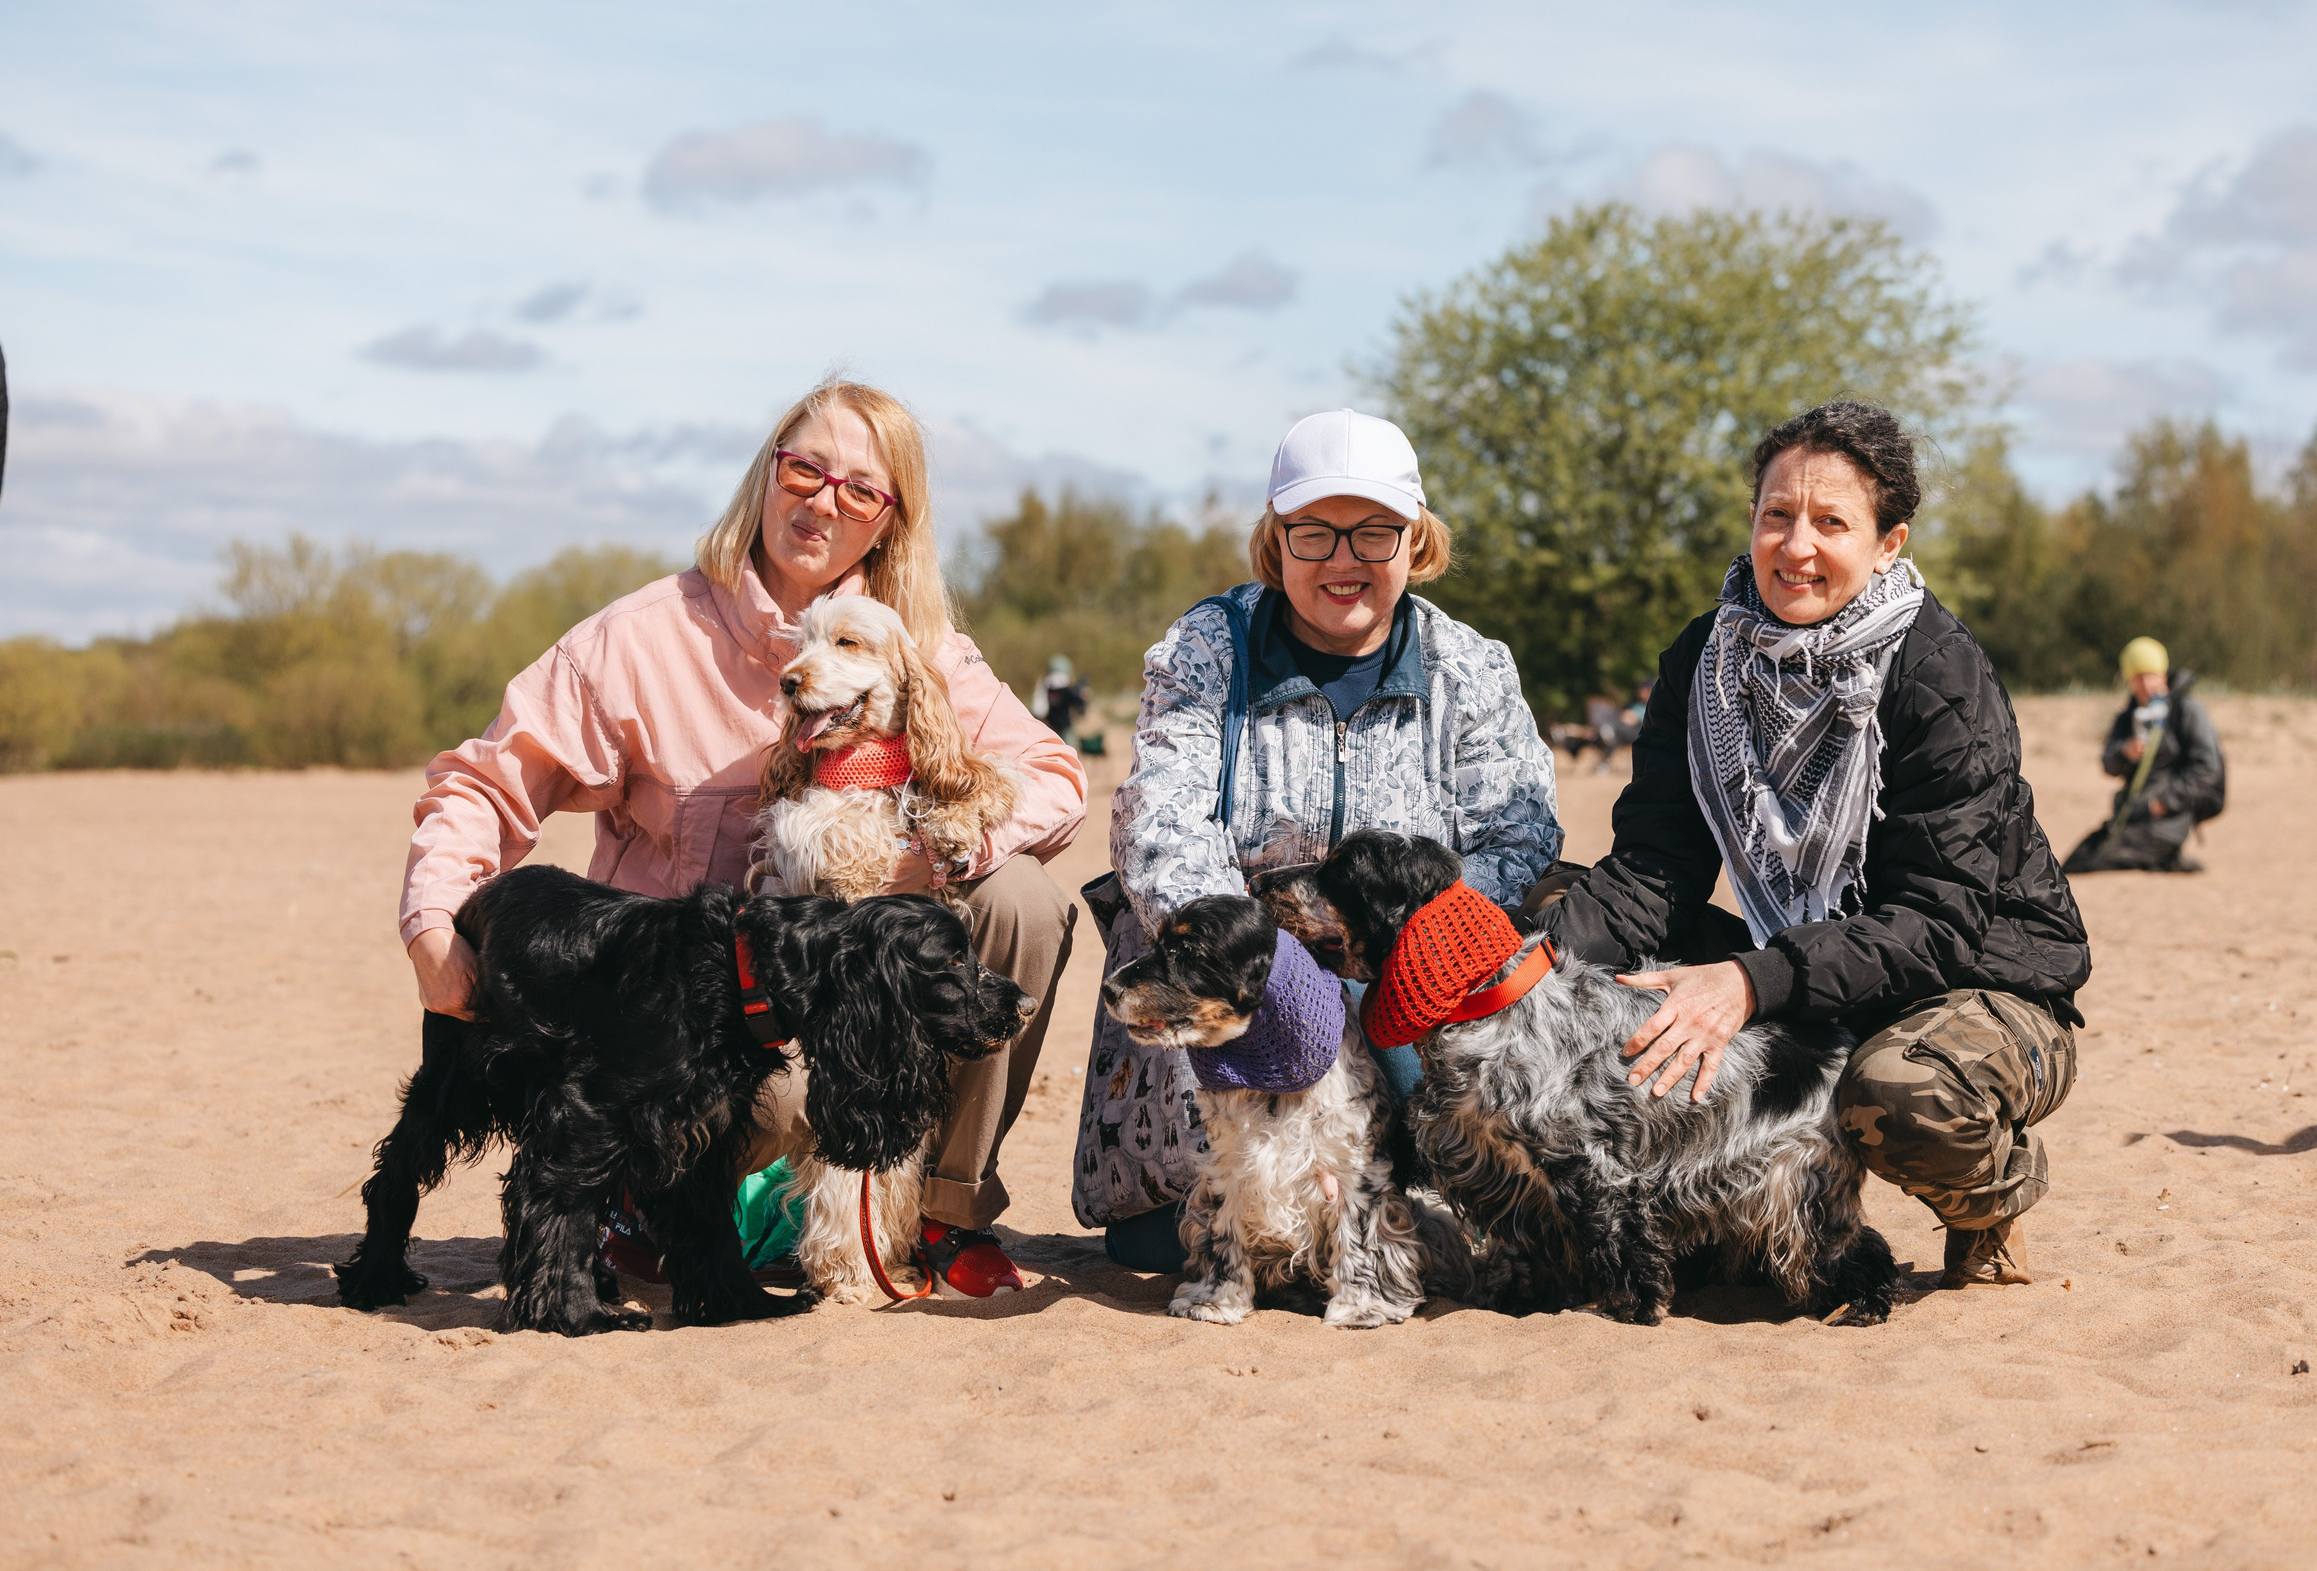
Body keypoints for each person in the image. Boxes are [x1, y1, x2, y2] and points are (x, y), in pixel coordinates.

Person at [398, 376, 1087, 1296]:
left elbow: (1057, 780)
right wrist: (435, 929)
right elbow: (485, 784)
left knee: (1024, 901)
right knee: (785, 1092)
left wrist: (927, 856)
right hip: (695, 1044)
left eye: (859, 489)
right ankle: (654, 1206)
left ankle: (941, 1220)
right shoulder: (640, 643)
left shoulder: (915, 648)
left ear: (889, 519)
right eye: (805, 469)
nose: (822, 501)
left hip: (853, 1021)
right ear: (768, 474)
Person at [1527, 400, 2091, 1288]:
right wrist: (1531, 959)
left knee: (1899, 1097)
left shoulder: (1938, 673)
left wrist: (1752, 982)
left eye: (1832, 523)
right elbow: (1657, 867)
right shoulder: (1702, 661)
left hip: (1980, 978)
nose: (1796, 547)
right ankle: (1698, 1200)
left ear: (1888, 542)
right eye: (1777, 516)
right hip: (1804, 947)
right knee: (1548, 908)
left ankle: (1994, 1199)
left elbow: (1933, 921)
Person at [1071, 407, 1564, 1267]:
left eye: (1374, 533)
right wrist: (1281, 979)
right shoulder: (1203, 651)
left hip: (1410, 990)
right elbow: (1158, 827)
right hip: (1236, 981)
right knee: (1171, 1242)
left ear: (1417, 540)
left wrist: (1397, 962)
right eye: (1314, 534)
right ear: (1276, 540)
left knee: (1461, 1218)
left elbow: (1518, 841)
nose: (1344, 561)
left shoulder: (1473, 668)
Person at [2063, 638, 2225, 875]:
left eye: (2151, 675)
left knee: (2099, 861)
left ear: (2163, 675)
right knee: (2075, 861)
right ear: (2129, 680)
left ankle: (2166, 858)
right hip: (2132, 812)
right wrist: (2125, 752)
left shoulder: (2187, 710)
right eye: (2138, 677)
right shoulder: (2128, 716)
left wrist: (2166, 802)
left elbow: (2208, 768)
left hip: (2168, 817)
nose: (2146, 684)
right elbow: (2108, 765)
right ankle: (2165, 861)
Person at [1031, 654, 1089, 740]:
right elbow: (1076, 700)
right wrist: (1083, 695)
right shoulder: (1064, 688)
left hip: (1050, 723)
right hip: (1064, 724)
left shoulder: (1046, 686)